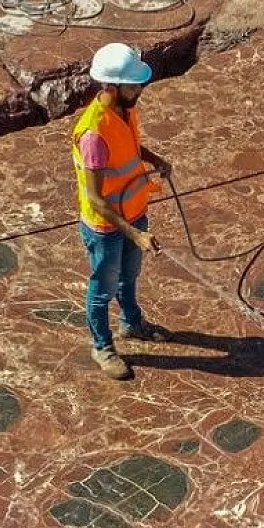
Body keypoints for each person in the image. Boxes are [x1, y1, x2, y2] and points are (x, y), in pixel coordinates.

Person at [72, 42, 175, 380]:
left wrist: (155, 159)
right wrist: (136, 235)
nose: (139, 90)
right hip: (106, 226)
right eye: (133, 85)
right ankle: (102, 347)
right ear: (112, 87)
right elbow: (96, 199)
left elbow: (128, 145)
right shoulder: (93, 134)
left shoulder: (124, 111)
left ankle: (131, 323)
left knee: (128, 276)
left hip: (133, 210)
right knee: (102, 289)